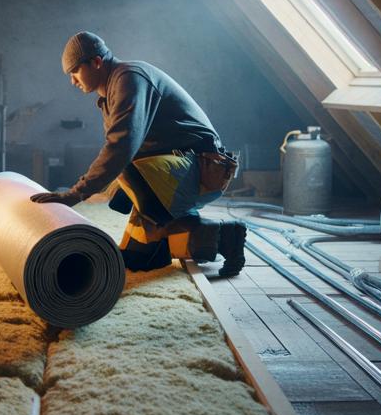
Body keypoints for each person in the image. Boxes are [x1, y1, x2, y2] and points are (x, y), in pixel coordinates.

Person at [30, 31, 246, 277]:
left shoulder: (129, 78)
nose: (73, 81)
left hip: (205, 171)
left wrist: (74, 194)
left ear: (96, 62)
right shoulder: (111, 91)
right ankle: (205, 235)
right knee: (135, 261)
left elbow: (120, 147)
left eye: (75, 71)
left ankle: (215, 233)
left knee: (124, 168)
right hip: (177, 170)